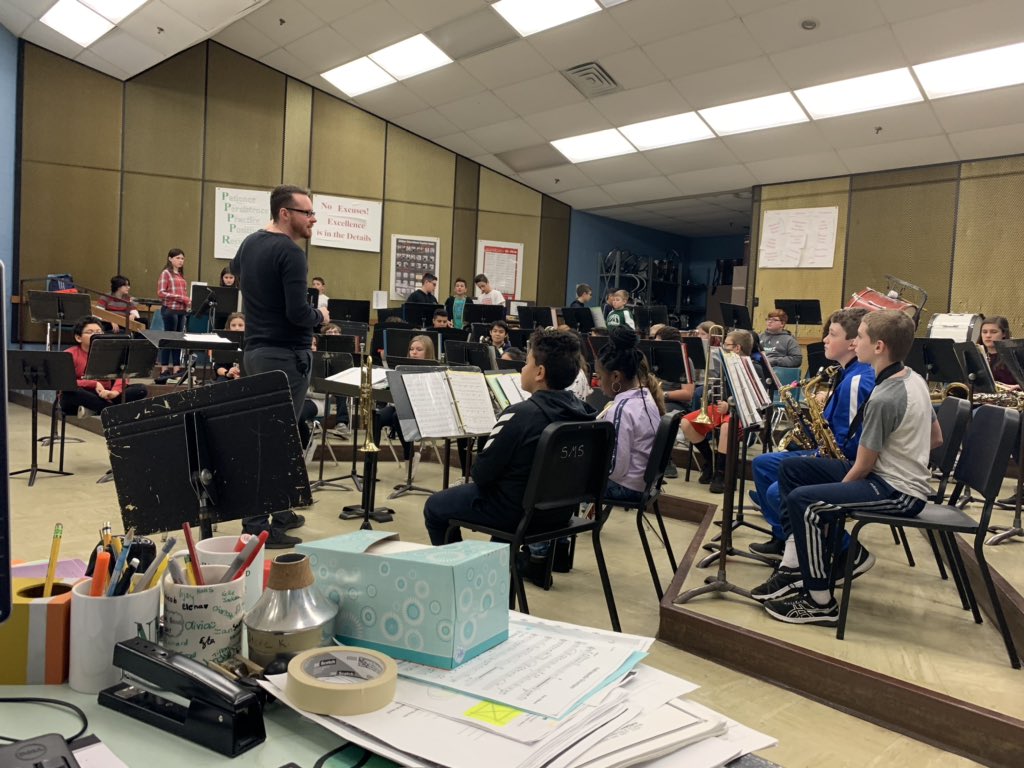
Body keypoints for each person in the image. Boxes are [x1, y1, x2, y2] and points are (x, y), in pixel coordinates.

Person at [750, 310, 941, 626]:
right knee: (791, 471)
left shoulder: (883, 397)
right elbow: (936, 438)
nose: (856, 342)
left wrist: (834, 502)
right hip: (888, 477)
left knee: (804, 501)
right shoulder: (914, 378)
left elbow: (863, 467)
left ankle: (819, 600)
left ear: (878, 346)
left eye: (861, 337)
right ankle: (794, 565)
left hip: (897, 491)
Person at [423, 329, 595, 546]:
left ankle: (459, 572)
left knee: (435, 506)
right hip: (560, 512)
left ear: (539, 372)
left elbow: (482, 474)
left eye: (527, 362)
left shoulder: (521, 414)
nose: (523, 367)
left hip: (518, 513)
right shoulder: (586, 413)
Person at [231, 184, 330, 548]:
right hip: (284, 356)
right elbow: (296, 313)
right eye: (307, 213)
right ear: (285, 213)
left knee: (273, 436)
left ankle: (282, 508)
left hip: (256, 352)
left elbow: (235, 271)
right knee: (272, 441)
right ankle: (258, 524)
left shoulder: (250, 243)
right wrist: (320, 315)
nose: (313, 219)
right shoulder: (291, 253)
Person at [749, 308, 876, 559]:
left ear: (853, 343)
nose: (825, 340)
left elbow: (843, 445)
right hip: (832, 453)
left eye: (831, 334)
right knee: (763, 464)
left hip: (844, 462)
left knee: (777, 490)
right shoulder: (844, 373)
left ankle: (842, 550)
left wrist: (812, 453)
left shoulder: (857, 380)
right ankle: (785, 539)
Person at [679, 328, 756, 492]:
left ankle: (721, 473)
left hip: (742, 413)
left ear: (737, 348)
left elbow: (754, 400)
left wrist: (730, 406)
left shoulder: (753, 368)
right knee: (686, 422)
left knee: (728, 426)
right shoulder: (724, 365)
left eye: (726, 344)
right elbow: (718, 391)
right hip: (721, 409)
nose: (722, 347)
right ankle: (709, 462)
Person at [594, 326, 665, 503]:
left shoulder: (621, 409)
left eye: (600, 377)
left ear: (616, 377)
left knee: (566, 481)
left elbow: (616, 469)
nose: (599, 383)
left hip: (628, 487)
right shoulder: (647, 395)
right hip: (644, 483)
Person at [61, 316, 147, 417]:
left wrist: (114, 392)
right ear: (78, 338)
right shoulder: (69, 354)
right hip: (85, 393)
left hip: (107, 394)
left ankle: (98, 409)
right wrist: (93, 384)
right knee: (70, 394)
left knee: (141, 389)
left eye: (99, 331)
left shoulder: (110, 353)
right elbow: (65, 382)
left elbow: (122, 375)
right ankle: (113, 411)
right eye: (90, 332)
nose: (96, 334)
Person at [374, 335, 436, 477]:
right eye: (411, 349)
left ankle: (409, 458)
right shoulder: (401, 368)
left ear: (428, 352)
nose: (414, 352)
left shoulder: (432, 371)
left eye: (419, 349)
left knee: (398, 417)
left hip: (421, 411)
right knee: (376, 416)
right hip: (399, 407)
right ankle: (372, 463)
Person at [157, 248, 189, 375]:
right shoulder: (166, 273)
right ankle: (164, 368)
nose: (180, 261)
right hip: (170, 309)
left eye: (182, 258)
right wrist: (180, 298)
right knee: (168, 338)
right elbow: (161, 292)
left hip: (181, 310)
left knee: (178, 339)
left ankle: (176, 367)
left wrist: (187, 302)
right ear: (170, 258)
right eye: (178, 258)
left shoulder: (180, 275)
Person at [980, 316, 1018, 389]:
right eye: (984, 332)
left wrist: (1018, 386)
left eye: (993, 332)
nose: (988, 335)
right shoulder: (976, 355)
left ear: (1004, 334)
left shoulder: (1015, 356)